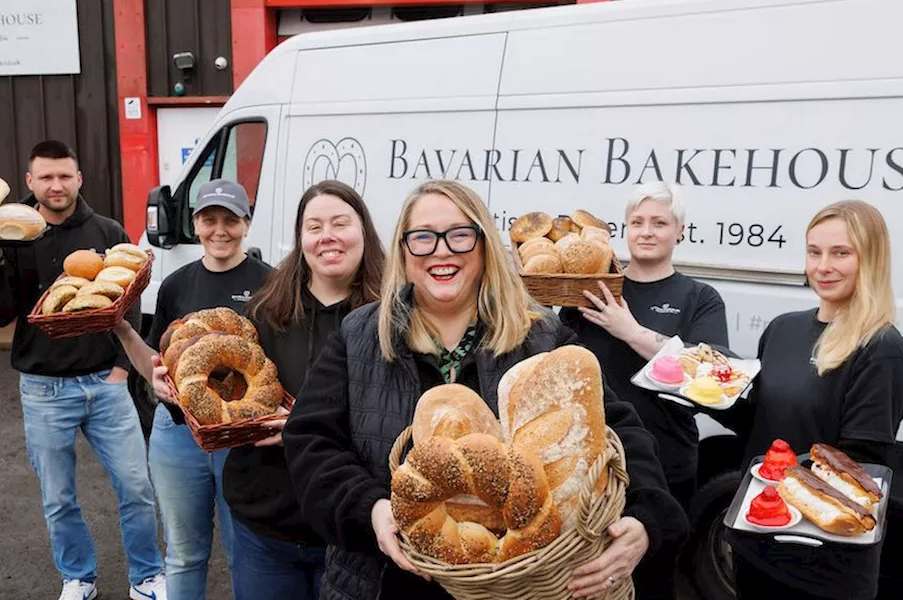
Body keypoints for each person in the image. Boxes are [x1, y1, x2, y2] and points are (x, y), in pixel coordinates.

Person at [282, 179, 691, 600]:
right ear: (404, 252)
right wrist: (370, 509)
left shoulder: (541, 335)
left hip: (520, 585)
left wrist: (646, 517)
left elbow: (617, 429)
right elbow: (311, 441)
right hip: (382, 581)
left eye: (460, 234)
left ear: (484, 246)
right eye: (423, 237)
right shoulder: (360, 336)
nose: (441, 250)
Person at [0, 140, 164, 600]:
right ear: (30, 182)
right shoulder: (12, 236)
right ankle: (78, 577)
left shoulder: (106, 231)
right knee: (58, 497)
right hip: (43, 388)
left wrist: (123, 370)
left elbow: (131, 305)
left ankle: (147, 578)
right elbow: (0, 314)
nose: (56, 185)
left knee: (137, 488)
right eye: (46, 177)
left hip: (104, 382)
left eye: (65, 176)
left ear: (79, 178)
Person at [723, 200, 903, 600]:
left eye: (840, 253)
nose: (823, 266)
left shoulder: (881, 350)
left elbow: (859, 465)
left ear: (871, 259)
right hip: (758, 537)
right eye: (814, 252)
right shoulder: (783, 329)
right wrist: (702, 394)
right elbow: (760, 423)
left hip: (823, 564)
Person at [214, 180, 385, 600]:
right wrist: (172, 391)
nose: (327, 235)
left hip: (354, 533)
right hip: (267, 526)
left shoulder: (390, 321)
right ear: (301, 239)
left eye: (340, 223)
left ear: (364, 232)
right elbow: (221, 396)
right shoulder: (263, 312)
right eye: (314, 226)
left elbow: (398, 416)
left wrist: (302, 426)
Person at [560, 182, 729, 599]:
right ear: (625, 229)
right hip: (590, 466)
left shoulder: (699, 298)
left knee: (654, 577)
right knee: (586, 576)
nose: (647, 231)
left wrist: (632, 332)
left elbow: (710, 373)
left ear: (681, 231)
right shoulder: (592, 291)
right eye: (637, 222)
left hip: (667, 461)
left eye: (659, 222)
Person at [112, 178, 272, 600]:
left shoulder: (270, 284)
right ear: (195, 224)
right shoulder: (176, 284)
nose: (220, 230)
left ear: (246, 224)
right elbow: (161, 362)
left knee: (248, 550)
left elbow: (272, 370)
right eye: (209, 219)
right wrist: (128, 337)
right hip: (178, 434)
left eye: (230, 220)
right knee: (183, 554)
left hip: (243, 440)